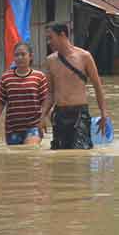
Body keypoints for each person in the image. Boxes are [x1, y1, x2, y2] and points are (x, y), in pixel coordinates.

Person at [42, 22, 109, 150]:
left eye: (50, 38)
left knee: (80, 154)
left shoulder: (84, 57)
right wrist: (42, 116)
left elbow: (98, 87)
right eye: (47, 39)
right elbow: (50, 93)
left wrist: (103, 113)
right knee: (60, 155)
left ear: (62, 35)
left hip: (79, 114)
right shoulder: (50, 61)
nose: (48, 42)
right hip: (59, 115)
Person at [0, 41, 49, 145]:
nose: (19, 58)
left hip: (33, 127)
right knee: (16, 159)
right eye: (16, 55)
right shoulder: (6, 78)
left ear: (30, 56)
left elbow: (46, 101)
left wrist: (44, 119)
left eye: (23, 54)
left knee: (30, 151)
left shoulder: (39, 77)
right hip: (12, 130)